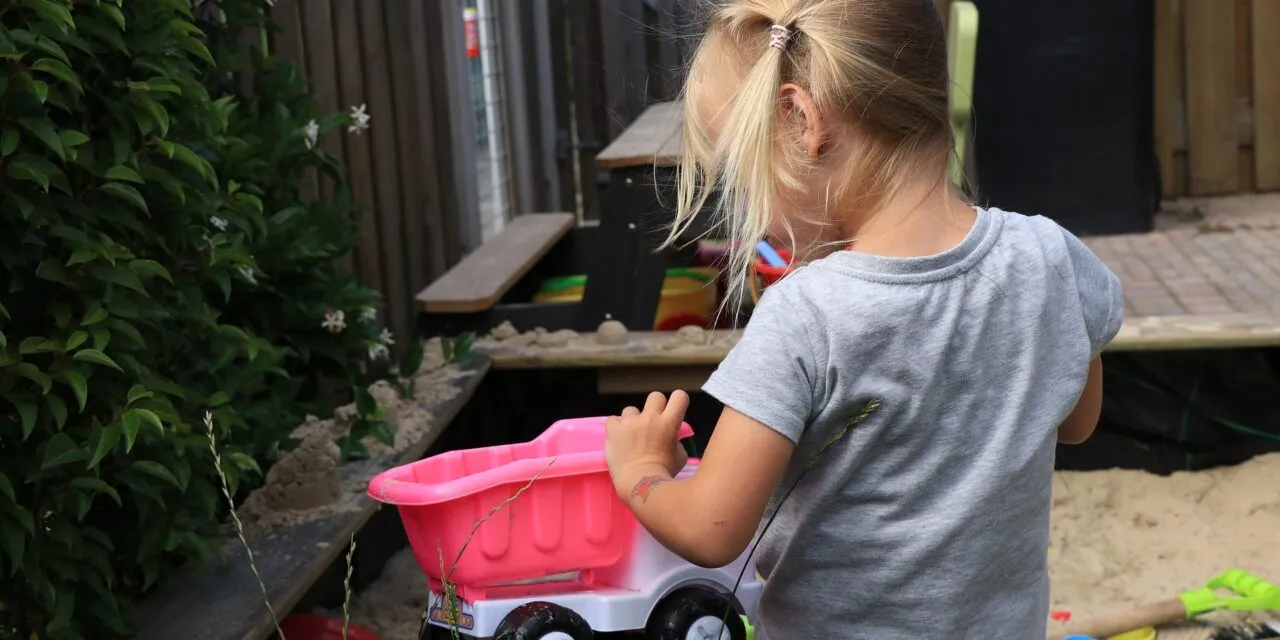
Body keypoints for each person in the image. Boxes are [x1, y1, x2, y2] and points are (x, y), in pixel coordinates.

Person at [602, 0, 1125, 638]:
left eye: (742, 174)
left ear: (801, 121)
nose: (750, 210)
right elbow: (1076, 422)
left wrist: (642, 475)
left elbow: (713, 530)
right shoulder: (1052, 257)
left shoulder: (806, 315)